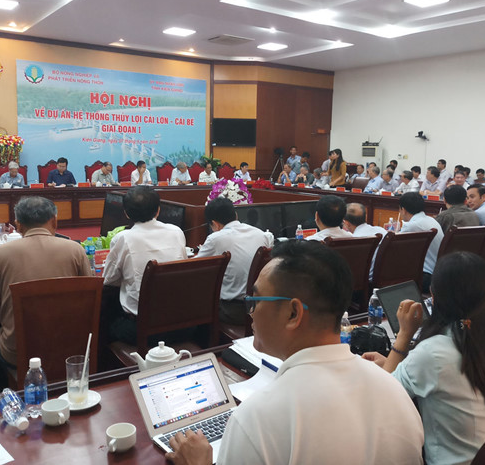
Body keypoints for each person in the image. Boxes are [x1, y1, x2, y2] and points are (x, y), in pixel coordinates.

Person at [167, 240, 425, 465]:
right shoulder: (394, 391)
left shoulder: (257, 418)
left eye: (255, 301)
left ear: (293, 313)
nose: (252, 313)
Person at [362, 252, 485, 465]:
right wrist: (401, 363)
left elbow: (383, 397)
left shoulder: (432, 353)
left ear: (433, 297)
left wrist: (404, 335)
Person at [0, 197, 92, 367]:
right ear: (54, 221)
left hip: (19, 354)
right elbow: (88, 299)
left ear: (18, 225)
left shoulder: (0, 253)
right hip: (70, 350)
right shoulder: (75, 250)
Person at [103, 187, 187, 344]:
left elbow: (108, 280)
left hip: (143, 330)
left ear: (126, 213)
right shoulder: (176, 232)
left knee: (105, 321)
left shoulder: (123, 238)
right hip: (182, 326)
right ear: (158, 210)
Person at [196, 197, 273, 325]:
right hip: (261, 307)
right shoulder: (261, 234)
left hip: (234, 311)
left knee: (199, 305)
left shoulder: (215, 238)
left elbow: (194, 268)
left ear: (214, 224)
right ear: (236, 215)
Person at [398, 192, 444, 292]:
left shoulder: (412, 225)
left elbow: (394, 248)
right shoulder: (431, 220)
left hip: (425, 277)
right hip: (437, 273)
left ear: (403, 210)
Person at [343, 203, 385, 280]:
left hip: (365, 281)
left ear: (346, 223)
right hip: (384, 278)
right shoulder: (382, 231)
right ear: (366, 217)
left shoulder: (353, 241)